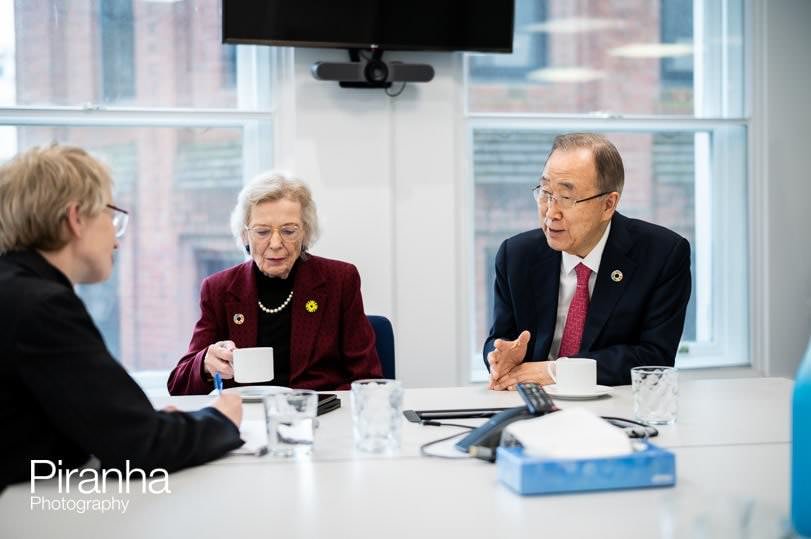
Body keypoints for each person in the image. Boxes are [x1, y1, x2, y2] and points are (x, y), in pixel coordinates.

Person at [0, 145, 244, 491]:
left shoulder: (15, 290)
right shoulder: (40, 307)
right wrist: (221, 420)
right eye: (111, 216)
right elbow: (141, 448)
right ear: (76, 218)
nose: (116, 240)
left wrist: (147, 425)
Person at [485, 133, 692, 390]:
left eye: (567, 198)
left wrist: (557, 370)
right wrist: (499, 357)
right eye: (546, 192)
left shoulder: (662, 254)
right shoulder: (516, 255)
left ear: (608, 204)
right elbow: (500, 338)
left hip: (616, 403)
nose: (551, 212)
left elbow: (654, 358)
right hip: (533, 402)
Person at [167, 172, 382, 395]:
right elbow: (178, 386)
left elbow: (367, 379)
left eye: (289, 231)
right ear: (244, 235)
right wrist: (204, 364)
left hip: (317, 416)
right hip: (248, 420)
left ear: (306, 234)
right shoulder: (219, 289)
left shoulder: (340, 280)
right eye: (262, 232)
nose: (276, 243)